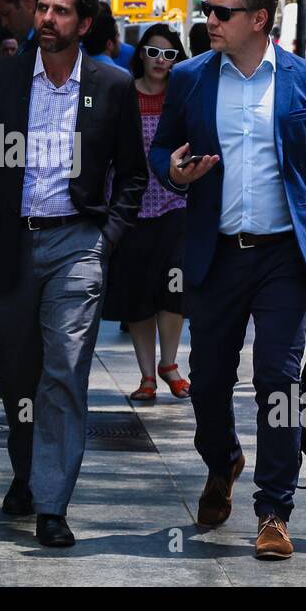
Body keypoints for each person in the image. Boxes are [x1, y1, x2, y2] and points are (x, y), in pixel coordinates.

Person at [149, 0, 306, 560]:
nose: (209, 21)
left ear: (259, 19)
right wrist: (172, 170)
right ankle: (222, 462)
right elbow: (163, 149)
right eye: (208, 10)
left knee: (279, 379)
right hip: (215, 254)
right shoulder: (191, 78)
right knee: (210, 383)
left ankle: (274, 510)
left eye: (222, 12)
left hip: (281, 257)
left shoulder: (305, 81)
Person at [0, 0, 147, 548]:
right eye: (44, 9)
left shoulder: (111, 85)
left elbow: (132, 174)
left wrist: (106, 238)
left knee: (66, 368)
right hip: (9, 245)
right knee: (19, 376)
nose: (48, 20)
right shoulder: (3, 80)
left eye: (61, 12)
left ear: (83, 24)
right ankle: (26, 473)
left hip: (77, 243)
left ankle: (53, 503)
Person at [102, 24, 189, 401]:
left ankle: (169, 364)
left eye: (169, 55)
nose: (160, 61)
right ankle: (147, 376)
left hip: (175, 207)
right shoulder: (122, 93)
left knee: (173, 291)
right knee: (137, 297)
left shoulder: (182, 97)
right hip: (130, 210)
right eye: (153, 52)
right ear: (141, 55)